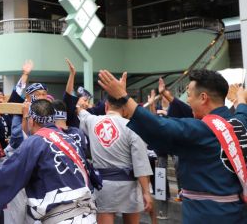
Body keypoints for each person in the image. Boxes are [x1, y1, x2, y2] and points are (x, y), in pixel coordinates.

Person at [97, 68, 247, 223]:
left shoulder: (202, 130)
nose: (188, 100)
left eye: (189, 95)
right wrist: (241, 98)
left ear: (203, 98)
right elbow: (243, 111)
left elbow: (159, 126)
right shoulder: (239, 123)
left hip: (207, 214)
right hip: (237, 211)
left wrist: (123, 97)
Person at [0, 99, 97, 223]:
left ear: (31, 120)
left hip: (64, 218)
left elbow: (9, 173)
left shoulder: (35, 141)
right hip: (87, 214)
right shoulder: (68, 139)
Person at [78, 94, 153, 224]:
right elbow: (140, 163)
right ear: (125, 109)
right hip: (130, 186)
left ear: (106, 106)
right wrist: (146, 192)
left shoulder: (92, 121)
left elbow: (81, 112)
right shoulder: (133, 127)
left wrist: (80, 104)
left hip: (103, 186)